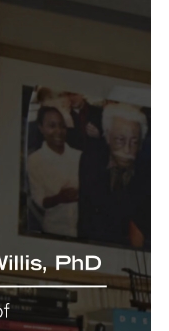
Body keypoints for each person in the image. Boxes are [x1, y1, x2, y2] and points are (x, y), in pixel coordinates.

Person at [78, 103, 150, 247]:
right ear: (107, 137)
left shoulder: (147, 173)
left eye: (134, 142)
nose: (127, 149)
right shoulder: (91, 161)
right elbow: (86, 214)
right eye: (120, 140)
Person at [26, 106, 81, 238]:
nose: (59, 131)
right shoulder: (35, 160)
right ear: (41, 128)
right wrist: (59, 198)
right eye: (52, 126)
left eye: (62, 126)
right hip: (55, 230)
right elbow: (39, 200)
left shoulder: (79, 156)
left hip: (82, 229)